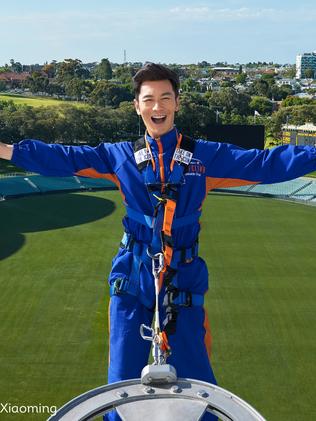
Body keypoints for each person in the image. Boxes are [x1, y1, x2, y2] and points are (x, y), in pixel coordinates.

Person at [1, 63, 316, 421]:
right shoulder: (118, 156)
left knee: (201, 391)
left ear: (177, 103)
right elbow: (66, 157)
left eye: (165, 98)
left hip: (182, 279)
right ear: (136, 106)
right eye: (148, 99)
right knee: (119, 391)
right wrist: (8, 151)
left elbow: (265, 163)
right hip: (133, 279)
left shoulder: (205, 157)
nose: (157, 107)